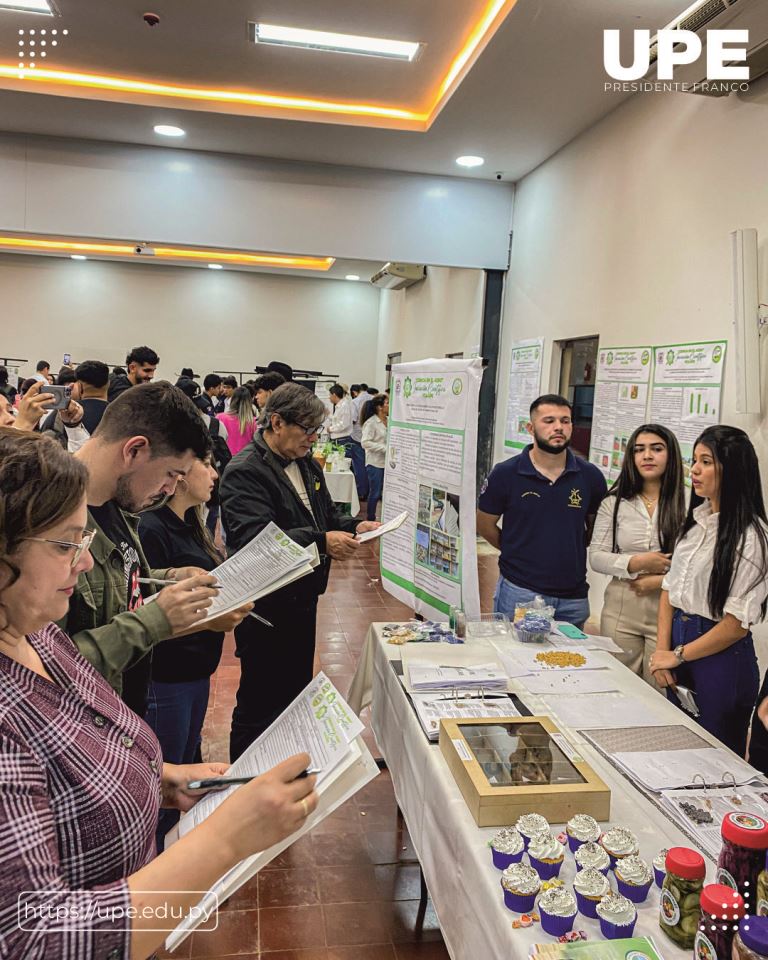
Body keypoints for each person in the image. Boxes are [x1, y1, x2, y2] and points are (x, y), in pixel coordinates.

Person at [0, 428, 318, 958]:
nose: (82, 563)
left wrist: (161, 778)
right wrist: (223, 842)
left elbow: (87, 733)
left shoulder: (36, 629)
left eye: (82, 542)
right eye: (64, 545)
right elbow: (34, 934)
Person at [65, 382, 251, 715]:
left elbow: (119, 581)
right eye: (171, 474)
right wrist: (156, 619)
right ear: (134, 450)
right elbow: (43, 666)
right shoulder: (51, 522)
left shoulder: (115, 506)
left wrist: (168, 577)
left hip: (122, 713)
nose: (169, 489)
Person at [220, 382, 379, 760]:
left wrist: (354, 524)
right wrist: (322, 541)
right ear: (276, 422)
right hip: (266, 606)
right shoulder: (245, 472)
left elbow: (323, 512)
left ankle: (282, 765)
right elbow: (256, 541)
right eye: (307, 430)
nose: (313, 438)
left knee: (294, 690)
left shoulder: (305, 463)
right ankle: (244, 777)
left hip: (302, 596)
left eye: (317, 431)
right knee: (259, 698)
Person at [650, 426, 768, 756]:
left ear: (731, 469)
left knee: (713, 758)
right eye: (694, 460)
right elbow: (668, 592)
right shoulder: (696, 523)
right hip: (680, 645)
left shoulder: (752, 538)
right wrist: (663, 655)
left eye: (706, 462)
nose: (695, 470)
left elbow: (734, 625)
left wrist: (676, 655)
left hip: (719, 658)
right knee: (676, 748)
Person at [139, 447, 225, 847]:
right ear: (181, 474)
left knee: (186, 765)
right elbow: (147, 611)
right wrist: (212, 618)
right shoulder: (151, 529)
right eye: (206, 465)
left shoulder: (192, 522)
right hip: (168, 675)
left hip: (197, 669)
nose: (213, 474)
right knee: (163, 783)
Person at [477, 394, 607, 628]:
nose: (558, 427)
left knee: (569, 661)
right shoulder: (506, 474)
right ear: (530, 427)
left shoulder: (590, 477)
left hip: (573, 597)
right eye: (549, 421)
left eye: (565, 421)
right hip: (521, 591)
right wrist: (514, 549)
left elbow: (594, 529)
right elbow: (484, 524)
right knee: (516, 657)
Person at [589, 424, 686, 683]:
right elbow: (597, 556)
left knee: (661, 688)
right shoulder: (615, 502)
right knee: (620, 685)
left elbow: (699, 564)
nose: (647, 456)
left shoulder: (688, 505)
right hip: (622, 604)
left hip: (671, 610)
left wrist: (661, 578)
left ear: (671, 455)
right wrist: (635, 562)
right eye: (639, 450)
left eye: (657, 449)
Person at [328, 383, 367, 500]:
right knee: (339, 467)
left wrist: (331, 429)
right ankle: (340, 495)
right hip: (338, 439)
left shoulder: (345, 405)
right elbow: (338, 420)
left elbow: (344, 424)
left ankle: (346, 496)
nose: (329, 398)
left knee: (343, 468)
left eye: (330, 395)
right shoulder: (340, 405)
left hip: (342, 440)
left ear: (335, 395)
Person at [361, 393, 388, 522]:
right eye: (387, 403)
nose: (390, 406)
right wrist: (384, 448)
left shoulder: (390, 420)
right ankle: (370, 519)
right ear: (379, 407)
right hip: (375, 463)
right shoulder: (371, 423)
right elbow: (365, 442)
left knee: (386, 492)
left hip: (389, 463)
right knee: (375, 492)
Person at [217, 385, 258, 456]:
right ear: (250, 401)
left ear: (232, 400)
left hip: (224, 460)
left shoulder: (220, 418)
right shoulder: (254, 422)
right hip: (246, 460)